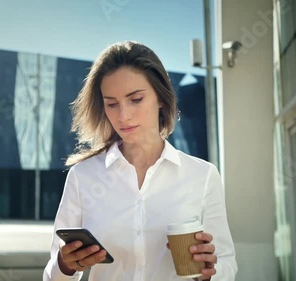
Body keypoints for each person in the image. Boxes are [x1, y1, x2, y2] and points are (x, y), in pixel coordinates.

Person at [43, 41, 237, 281]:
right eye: (112, 104)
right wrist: (65, 265)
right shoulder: (83, 176)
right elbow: (52, 276)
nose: (123, 116)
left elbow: (226, 261)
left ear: (161, 98)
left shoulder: (203, 176)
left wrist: (210, 274)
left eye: (135, 99)